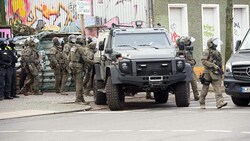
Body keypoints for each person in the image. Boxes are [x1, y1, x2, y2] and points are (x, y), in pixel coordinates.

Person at [199, 37, 227, 109]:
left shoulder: (217, 52)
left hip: (216, 72)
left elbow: (220, 63)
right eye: (214, 43)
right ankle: (202, 103)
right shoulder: (206, 51)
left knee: (218, 88)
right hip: (207, 72)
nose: (216, 44)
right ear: (210, 44)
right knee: (205, 88)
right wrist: (213, 65)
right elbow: (203, 61)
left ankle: (220, 102)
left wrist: (221, 72)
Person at [68, 35, 96, 105]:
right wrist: (95, 62)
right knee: (79, 84)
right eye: (83, 40)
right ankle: (78, 100)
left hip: (73, 66)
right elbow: (85, 59)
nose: (84, 41)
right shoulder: (80, 48)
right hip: (78, 67)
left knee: (78, 83)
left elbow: (68, 57)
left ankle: (81, 99)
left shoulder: (73, 47)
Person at [176, 36, 199, 101]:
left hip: (190, 68)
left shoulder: (187, 50)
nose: (190, 43)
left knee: (193, 81)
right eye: (189, 41)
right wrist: (191, 62)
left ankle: (196, 95)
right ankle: (191, 96)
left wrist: (193, 61)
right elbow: (182, 61)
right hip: (186, 69)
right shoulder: (181, 51)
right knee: (189, 82)